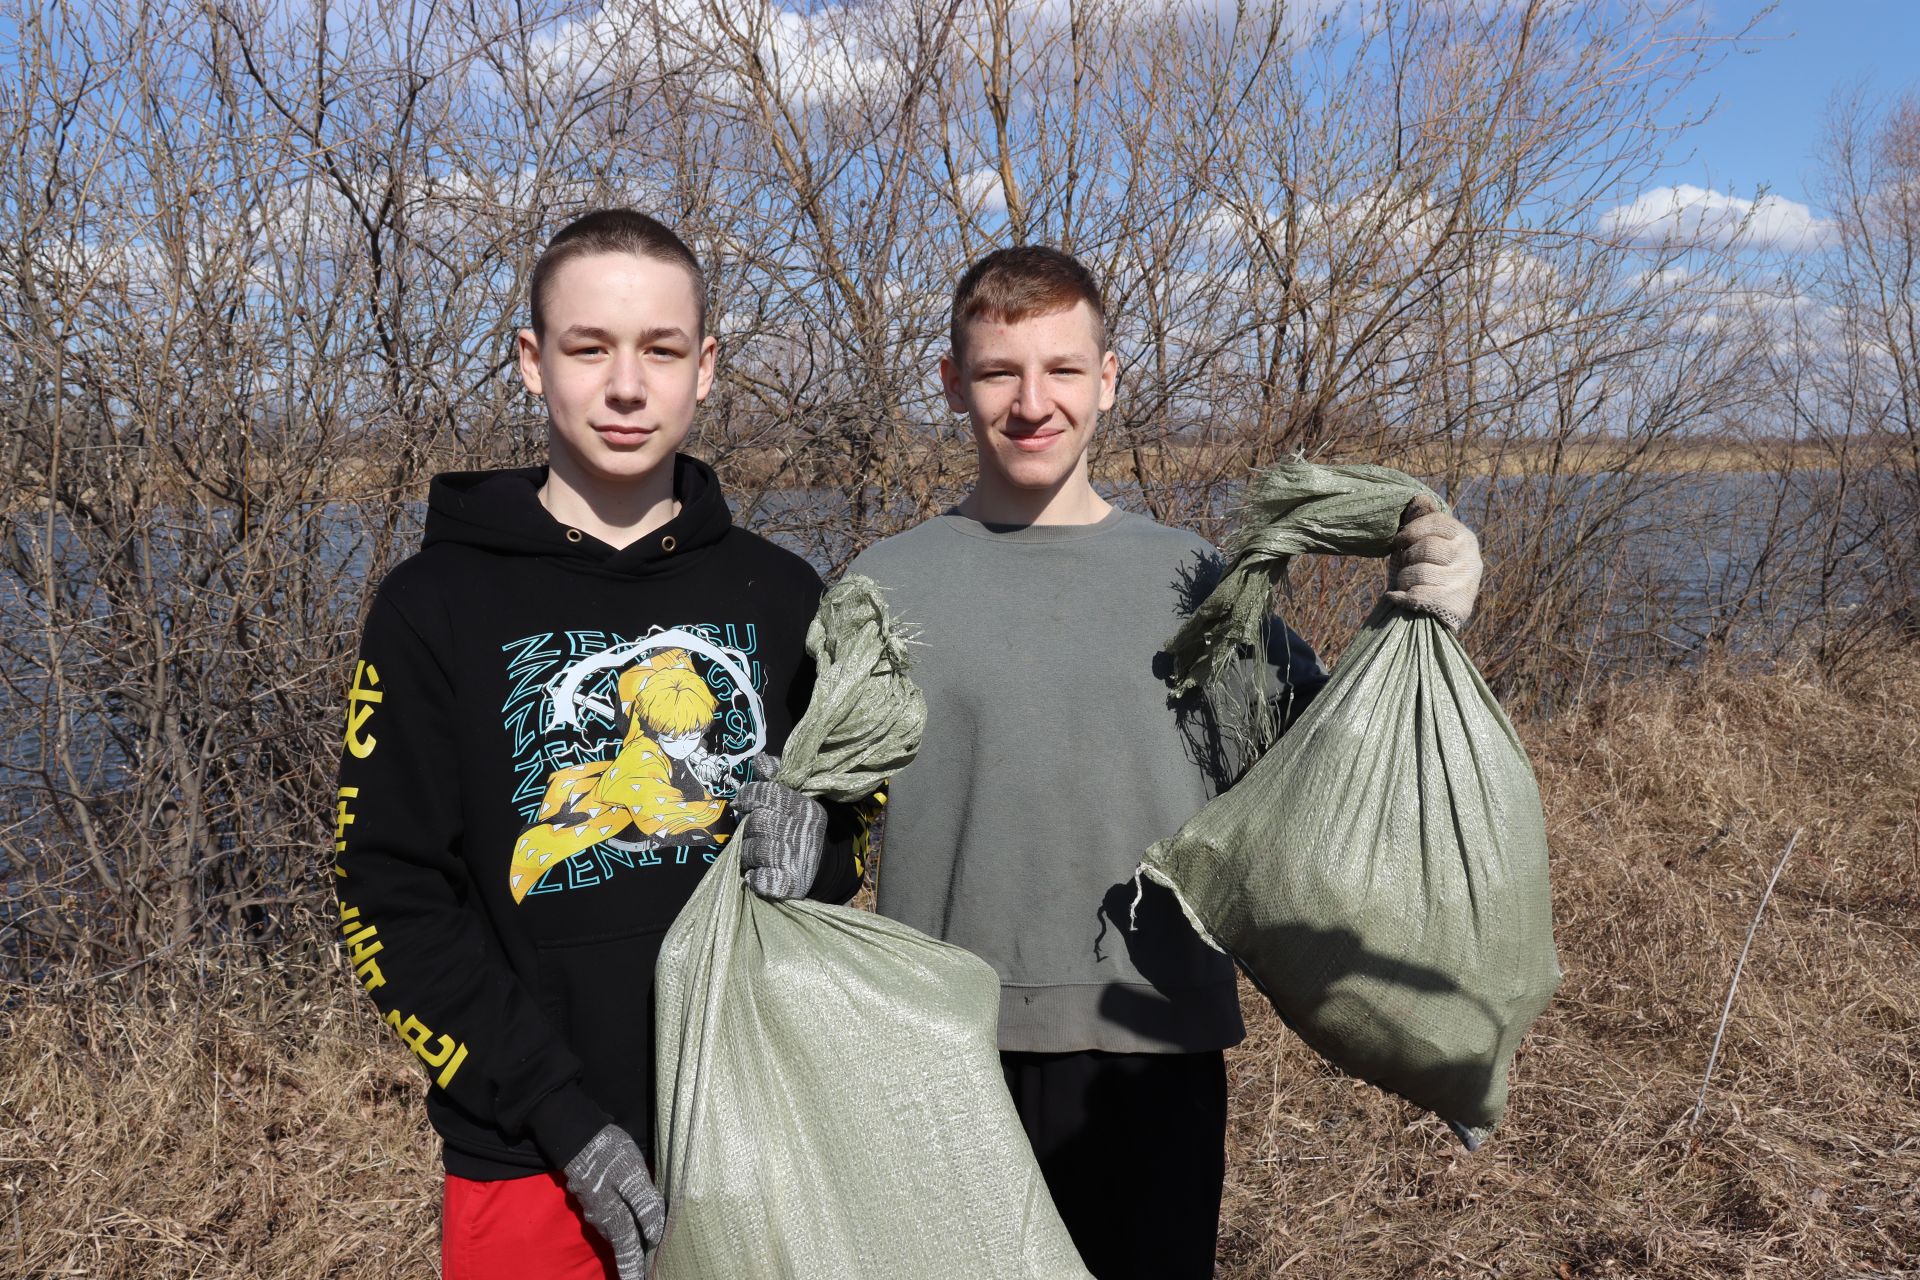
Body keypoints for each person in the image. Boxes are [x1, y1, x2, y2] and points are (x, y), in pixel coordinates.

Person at [846, 245, 1482, 1279]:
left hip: (1154, 1049)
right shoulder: (882, 584)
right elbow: (822, 815)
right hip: (943, 1054)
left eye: (1061, 368)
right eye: (1000, 371)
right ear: (953, 383)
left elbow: (1328, 765)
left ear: (1108, 379)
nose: (1031, 402)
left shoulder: (1196, 578)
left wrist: (1425, 625)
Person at [332, 208, 853, 1280]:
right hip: (529, 1153)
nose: (627, 385)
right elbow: (387, 893)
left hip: (751, 1130)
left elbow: (834, 838)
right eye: (589, 347)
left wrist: (829, 845)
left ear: (705, 367)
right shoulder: (433, 604)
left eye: (660, 349)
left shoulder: (781, 592)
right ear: (533, 361)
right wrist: (559, 1116)